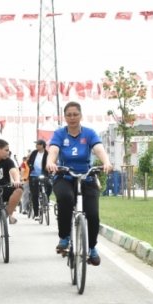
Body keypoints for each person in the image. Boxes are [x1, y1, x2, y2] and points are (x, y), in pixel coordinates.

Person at [46, 101, 113, 266]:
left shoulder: (89, 133)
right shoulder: (60, 134)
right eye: (69, 115)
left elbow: (98, 148)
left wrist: (106, 162)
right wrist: (50, 162)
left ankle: (92, 248)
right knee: (65, 199)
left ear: (81, 115)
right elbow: (53, 150)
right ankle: (65, 237)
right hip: (65, 176)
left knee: (92, 214)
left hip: (86, 177)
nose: (72, 118)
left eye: (75, 114)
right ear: (65, 117)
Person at [27, 139, 52, 218]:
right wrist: (31, 166)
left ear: (42, 145)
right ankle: (36, 213)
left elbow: (51, 162)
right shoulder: (34, 153)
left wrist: (49, 169)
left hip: (44, 174)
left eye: (38, 144)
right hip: (33, 175)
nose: (36, 146)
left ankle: (46, 199)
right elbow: (29, 161)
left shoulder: (47, 154)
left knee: (49, 185)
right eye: (36, 144)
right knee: (35, 194)